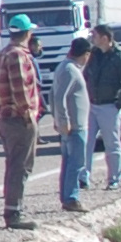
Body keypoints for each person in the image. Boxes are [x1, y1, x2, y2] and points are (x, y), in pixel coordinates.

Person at [0, 15, 42, 228]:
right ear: (27, 33)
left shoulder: (1, 55)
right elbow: (20, 89)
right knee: (20, 166)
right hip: (18, 119)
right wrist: (29, 115)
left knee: (13, 164)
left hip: (4, 116)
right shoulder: (19, 56)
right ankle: (14, 213)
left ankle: (13, 209)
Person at [81, 24, 121, 193]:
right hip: (92, 104)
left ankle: (114, 179)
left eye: (94, 35)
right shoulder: (94, 54)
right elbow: (86, 75)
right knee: (86, 143)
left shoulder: (120, 55)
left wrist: (118, 103)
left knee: (111, 144)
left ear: (105, 38)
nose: (92, 38)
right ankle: (83, 178)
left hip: (110, 105)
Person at [49, 29, 91, 213]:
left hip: (72, 124)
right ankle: (71, 198)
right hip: (74, 126)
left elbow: (52, 94)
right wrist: (62, 120)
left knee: (69, 161)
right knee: (75, 162)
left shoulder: (64, 67)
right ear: (85, 54)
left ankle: (67, 196)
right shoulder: (70, 70)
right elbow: (58, 96)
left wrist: (57, 118)